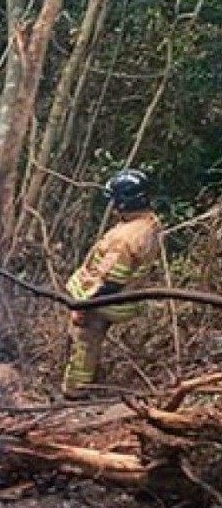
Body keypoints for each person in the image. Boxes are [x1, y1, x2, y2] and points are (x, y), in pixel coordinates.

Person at [62, 169, 163, 399]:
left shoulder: (123, 239)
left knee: (84, 341)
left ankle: (75, 393)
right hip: (128, 296)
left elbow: (110, 284)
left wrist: (83, 306)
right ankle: (91, 380)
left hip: (106, 301)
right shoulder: (149, 223)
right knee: (91, 342)